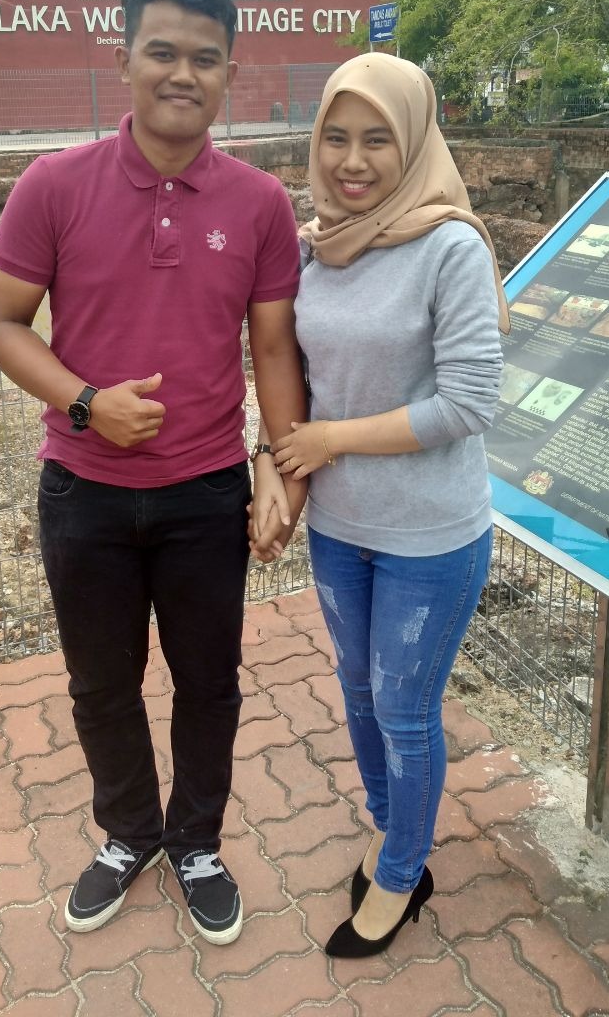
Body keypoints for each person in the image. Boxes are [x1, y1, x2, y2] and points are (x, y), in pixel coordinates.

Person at [0, 0, 307, 947]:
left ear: (229, 72)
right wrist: (85, 402)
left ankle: (196, 841)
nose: (182, 74)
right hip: (83, 493)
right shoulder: (54, 185)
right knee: (101, 685)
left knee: (210, 682)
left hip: (206, 494)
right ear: (123, 59)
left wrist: (279, 467)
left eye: (205, 58)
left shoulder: (259, 202)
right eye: (161, 51)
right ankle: (129, 832)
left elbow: (274, 348)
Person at [251, 52, 509, 958]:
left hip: (430, 537)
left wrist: (332, 442)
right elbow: (292, 376)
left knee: (404, 708)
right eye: (336, 137)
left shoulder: (450, 248)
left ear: (414, 145)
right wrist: (274, 463)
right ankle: (390, 823)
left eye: (377, 140)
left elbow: (470, 403)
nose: (353, 161)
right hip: (340, 529)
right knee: (358, 694)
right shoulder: (315, 246)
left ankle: (403, 872)